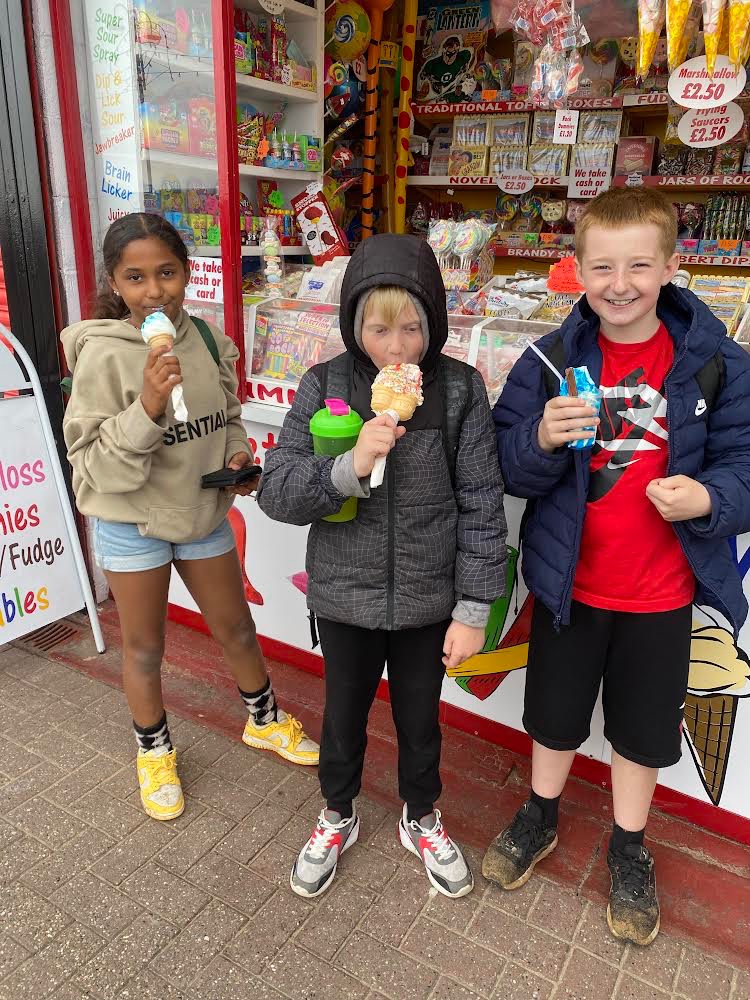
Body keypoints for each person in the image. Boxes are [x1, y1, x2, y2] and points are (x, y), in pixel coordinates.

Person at [487, 187, 750, 945]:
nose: (621, 283)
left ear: (673, 264)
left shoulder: (718, 366)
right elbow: (508, 464)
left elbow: (745, 465)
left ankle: (629, 846)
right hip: (571, 587)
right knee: (555, 717)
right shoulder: (548, 357)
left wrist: (709, 495)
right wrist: (537, 437)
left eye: (640, 264)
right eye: (602, 266)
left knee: (643, 732)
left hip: (662, 593)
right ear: (576, 270)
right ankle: (539, 814)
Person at [258, 234, 507, 899]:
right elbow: (278, 489)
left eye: (412, 328)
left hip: (430, 602)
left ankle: (420, 816)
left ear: (433, 323)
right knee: (342, 716)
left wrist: (473, 609)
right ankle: (337, 813)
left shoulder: (458, 392)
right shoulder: (327, 384)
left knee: (421, 721)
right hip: (345, 596)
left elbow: (482, 503)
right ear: (354, 324)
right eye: (378, 328)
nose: (396, 346)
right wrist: (351, 463)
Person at [61, 213, 318, 822]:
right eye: (137, 278)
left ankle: (264, 720)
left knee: (236, 628)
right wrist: (148, 406)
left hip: (201, 508)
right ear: (115, 284)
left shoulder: (204, 340)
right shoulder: (103, 356)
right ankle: (153, 751)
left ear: (186, 271)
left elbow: (227, 413)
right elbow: (91, 463)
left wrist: (237, 451)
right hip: (132, 520)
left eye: (167, 273)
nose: (155, 291)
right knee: (145, 647)